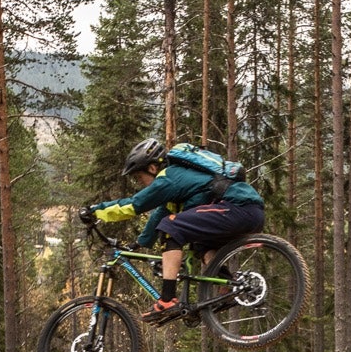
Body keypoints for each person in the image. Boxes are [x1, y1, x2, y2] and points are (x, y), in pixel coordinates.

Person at [83, 138, 265, 323]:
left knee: (171, 226)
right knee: (201, 246)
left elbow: (134, 205)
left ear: (152, 168)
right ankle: (227, 285)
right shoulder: (177, 184)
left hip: (237, 208)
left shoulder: (169, 177)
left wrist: (95, 210)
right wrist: (139, 243)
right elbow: (159, 215)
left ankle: (167, 299)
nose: (141, 183)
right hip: (248, 213)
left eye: (139, 177)